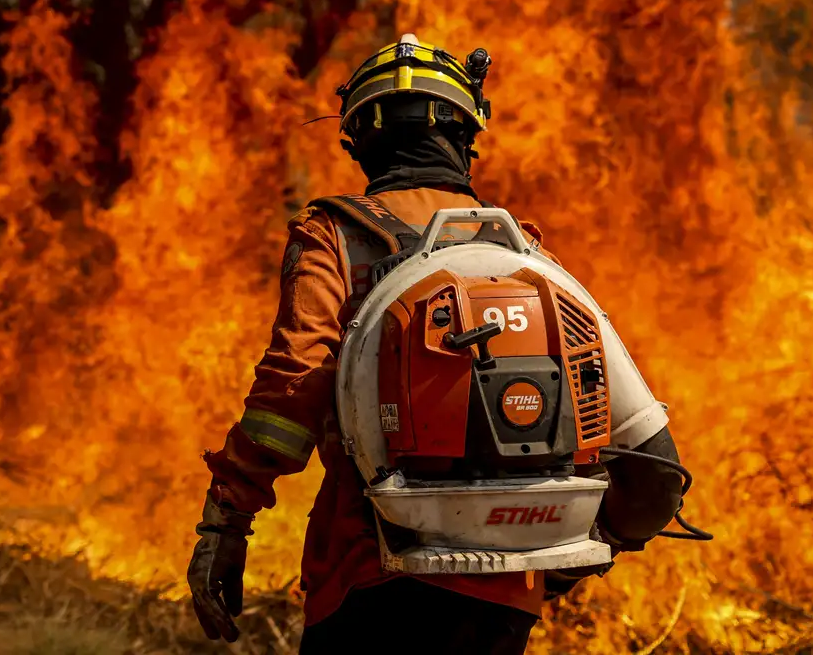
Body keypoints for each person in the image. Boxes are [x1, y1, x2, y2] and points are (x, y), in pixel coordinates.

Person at [187, 35, 685, 655]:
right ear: (467, 136)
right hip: (505, 595)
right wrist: (567, 551)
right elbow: (657, 472)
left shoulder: (335, 238)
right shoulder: (528, 260)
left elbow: (290, 390)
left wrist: (227, 521)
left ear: (360, 139)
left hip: (367, 573)